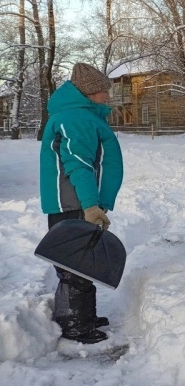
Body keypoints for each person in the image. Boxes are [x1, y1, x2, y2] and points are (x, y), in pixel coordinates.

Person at [39, 63, 123, 344]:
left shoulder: (79, 115)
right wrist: (90, 205)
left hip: (75, 200)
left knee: (80, 262)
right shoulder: (76, 118)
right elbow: (78, 164)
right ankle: (75, 325)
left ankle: (81, 315)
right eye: (103, 91)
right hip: (73, 202)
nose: (107, 96)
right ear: (89, 93)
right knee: (75, 266)